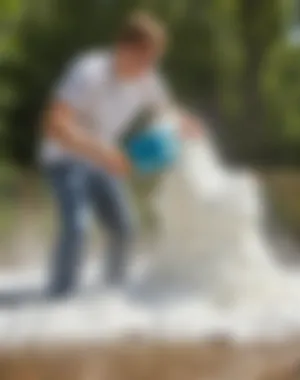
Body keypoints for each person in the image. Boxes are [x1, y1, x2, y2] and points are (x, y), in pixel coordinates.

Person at [40, 11, 202, 299]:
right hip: (64, 158)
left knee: (125, 228)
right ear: (123, 48)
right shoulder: (88, 71)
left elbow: (168, 111)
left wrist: (187, 124)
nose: (148, 67)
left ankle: (112, 295)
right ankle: (59, 300)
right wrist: (101, 151)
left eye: (153, 60)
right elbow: (54, 124)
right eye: (143, 58)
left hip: (103, 160)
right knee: (79, 227)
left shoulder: (147, 78)